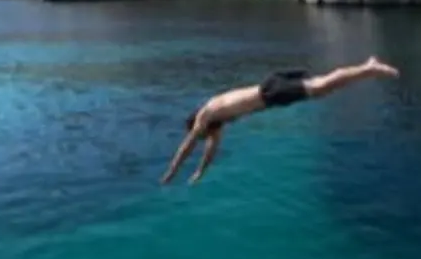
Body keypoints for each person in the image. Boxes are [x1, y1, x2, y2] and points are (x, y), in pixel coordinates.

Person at [160, 57, 400, 185]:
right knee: (322, 87)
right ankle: (366, 68)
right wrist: (200, 172)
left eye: (199, 133)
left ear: (195, 125)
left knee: (323, 86)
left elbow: (188, 146)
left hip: (269, 93)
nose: (204, 137)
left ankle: (369, 68)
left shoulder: (205, 114)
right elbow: (211, 148)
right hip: (271, 88)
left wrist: (173, 171)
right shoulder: (216, 117)